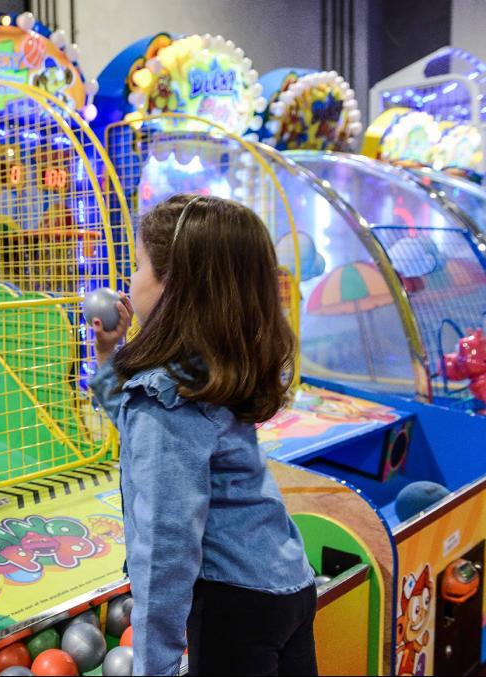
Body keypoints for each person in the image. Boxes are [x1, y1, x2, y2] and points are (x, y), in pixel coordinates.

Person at [90, 194, 317, 676]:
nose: (130, 280)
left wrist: (155, 666)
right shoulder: (212, 367)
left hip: (234, 605)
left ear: (174, 284)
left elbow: (165, 548)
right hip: (287, 582)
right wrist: (110, 355)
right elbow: (137, 426)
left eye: (138, 265)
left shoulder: (169, 397)